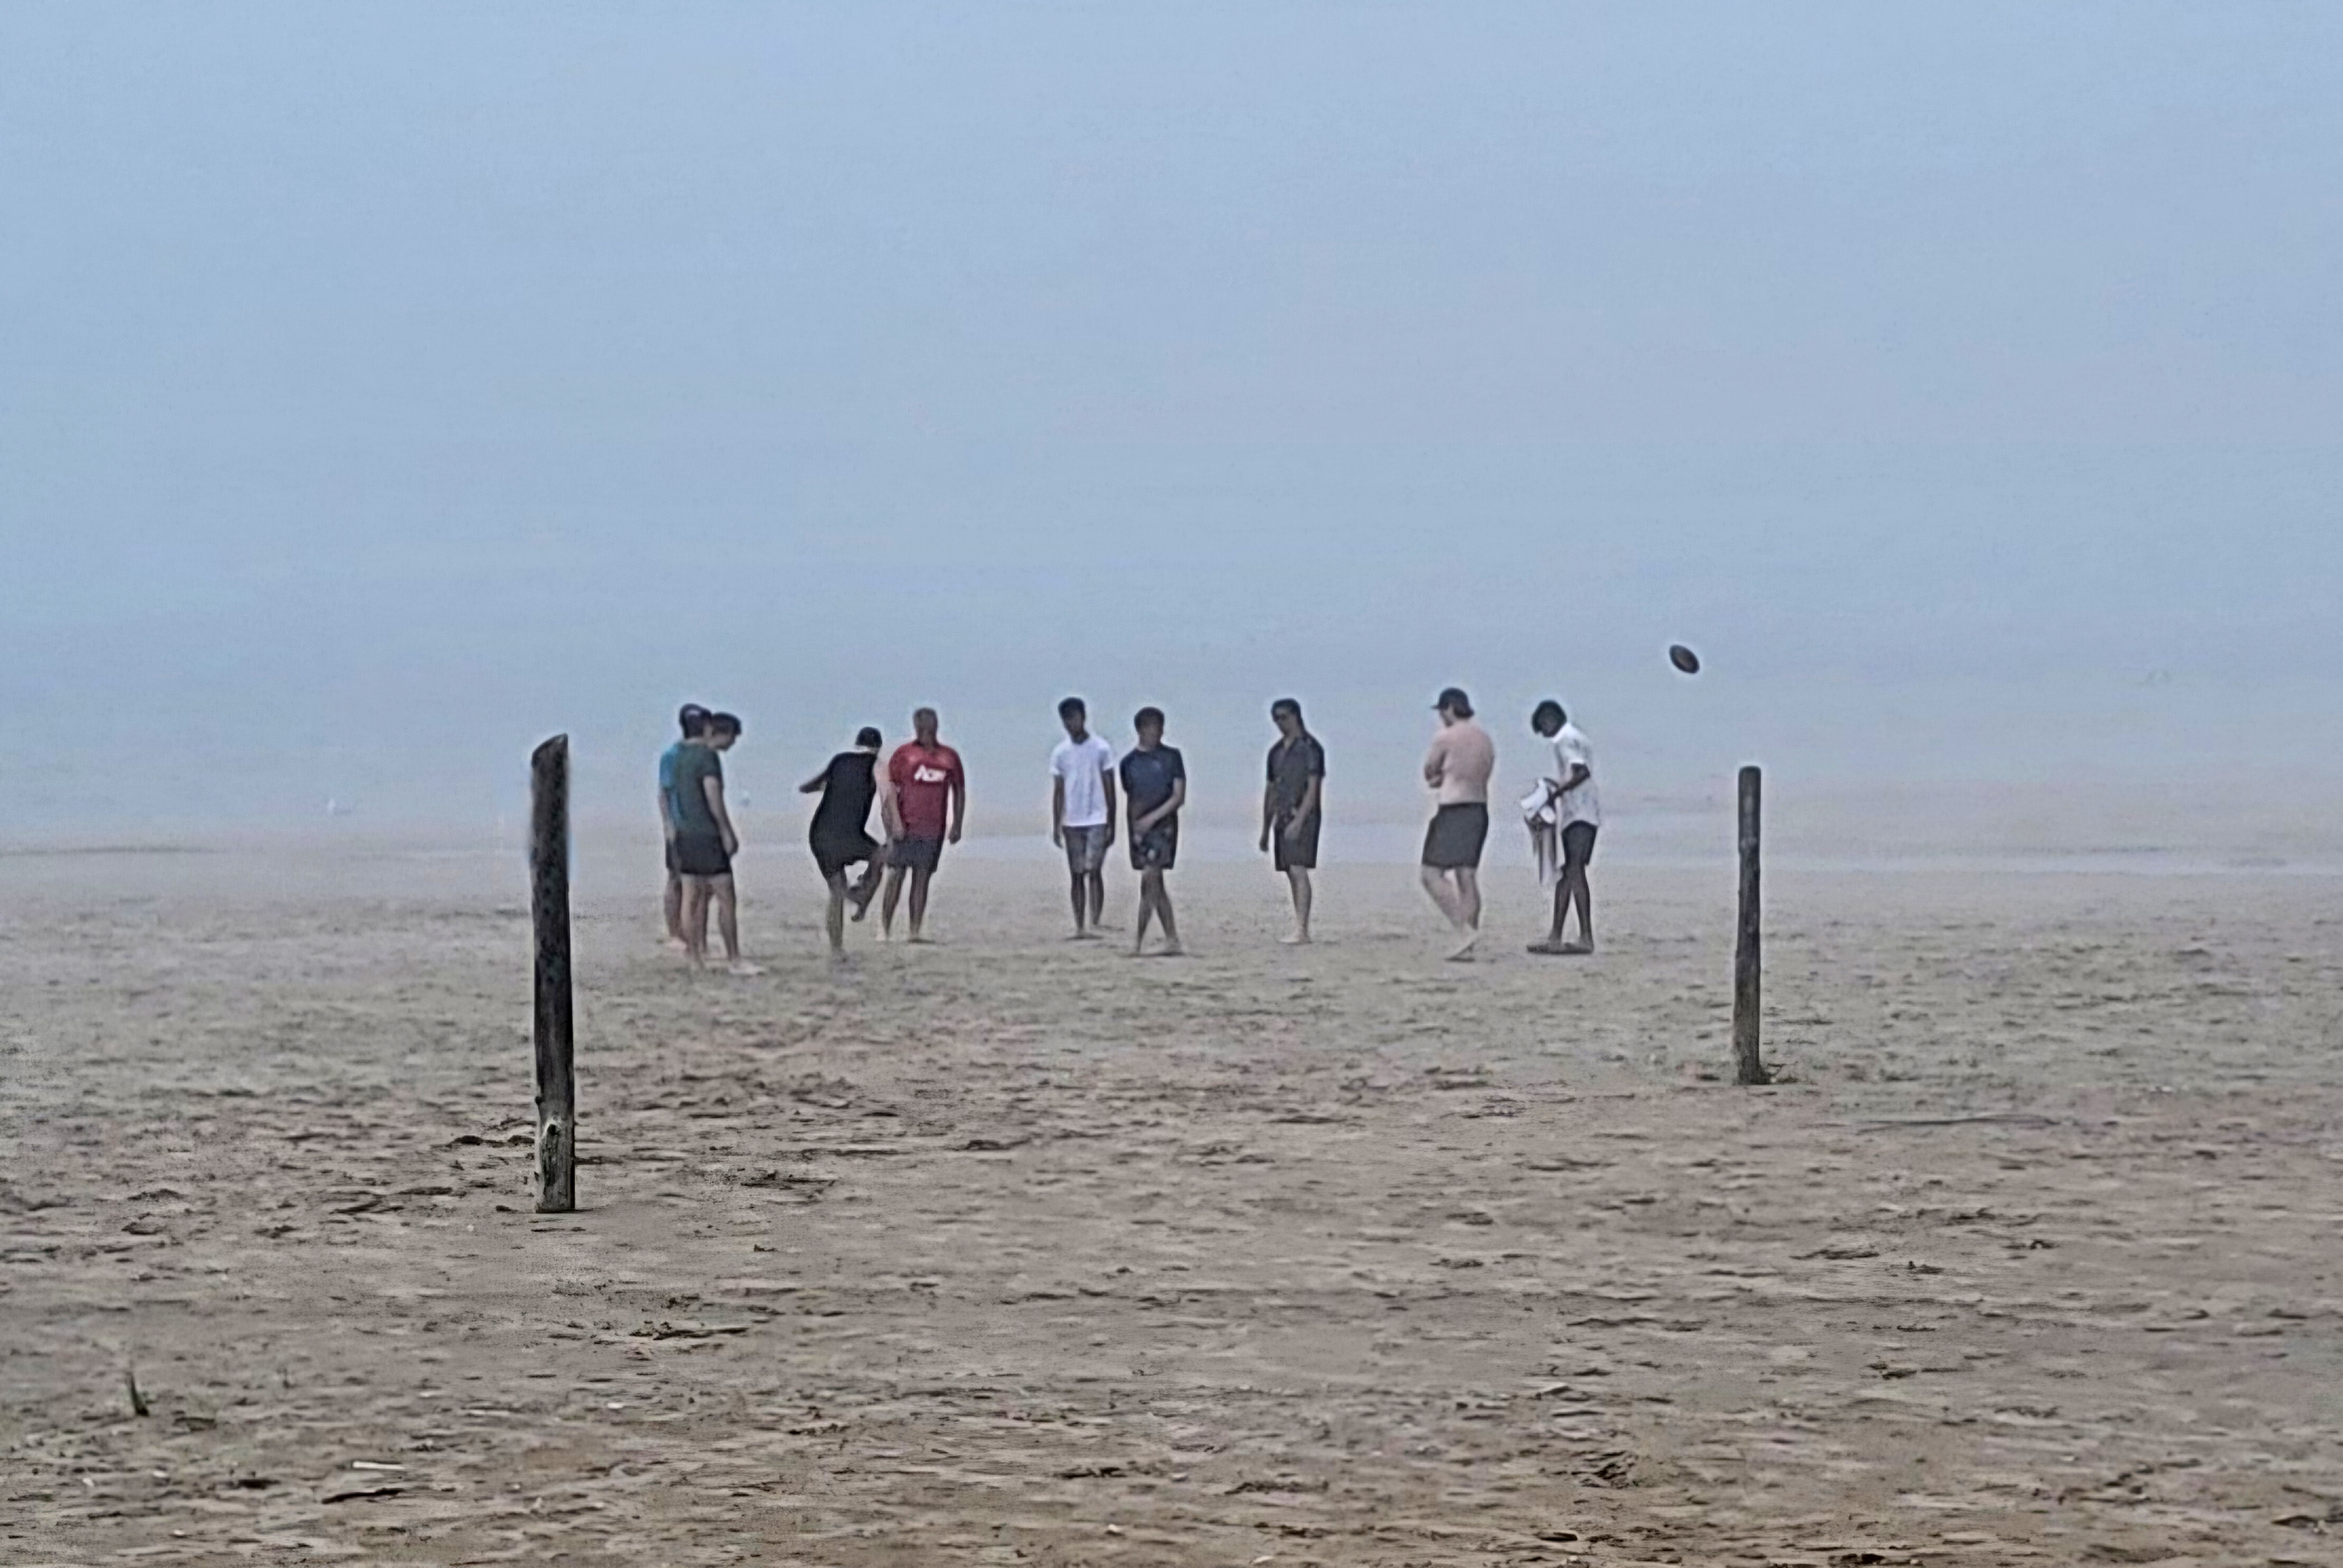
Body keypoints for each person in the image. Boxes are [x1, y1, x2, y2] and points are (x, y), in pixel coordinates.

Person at [674, 712, 759, 975]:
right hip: (707, 834)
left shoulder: (680, 757)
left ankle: (694, 958)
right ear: (715, 732)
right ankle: (734, 958)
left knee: (690, 898)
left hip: (685, 833)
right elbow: (713, 795)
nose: (731, 745)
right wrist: (726, 830)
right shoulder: (708, 758)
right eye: (731, 739)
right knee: (725, 898)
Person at [1420, 686, 1495, 961]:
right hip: (1478, 808)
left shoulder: (1446, 737)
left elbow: (1430, 770)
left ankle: (1464, 930)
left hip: (1454, 808)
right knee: (1467, 876)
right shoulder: (1485, 739)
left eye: (1442, 711)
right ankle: (1468, 943)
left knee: (1430, 874)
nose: (1441, 717)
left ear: (1450, 709)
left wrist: (1438, 778)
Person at [877, 707, 965, 943]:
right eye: (922, 726)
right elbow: (890, 791)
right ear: (916, 727)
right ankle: (884, 929)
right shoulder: (905, 754)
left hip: (933, 829)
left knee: (922, 878)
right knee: (896, 875)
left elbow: (959, 790)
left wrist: (957, 824)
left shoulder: (949, 757)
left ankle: (915, 930)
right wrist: (894, 822)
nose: (926, 730)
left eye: (930, 725)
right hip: (906, 826)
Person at [802, 725, 887, 955]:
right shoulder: (877, 767)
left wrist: (812, 789)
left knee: (836, 892)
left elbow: (813, 785)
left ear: (857, 744)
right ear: (878, 748)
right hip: (850, 835)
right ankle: (862, 901)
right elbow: (888, 796)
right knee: (880, 855)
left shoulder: (839, 761)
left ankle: (837, 948)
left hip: (821, 834)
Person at [1528, 700, 1602, 955]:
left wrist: (1555, 793)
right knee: (1568, 873)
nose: (1545, 734)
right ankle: (1556, 936)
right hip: (1585, 812)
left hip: (1579, 813)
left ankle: (1586, 937)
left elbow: (1581, 772)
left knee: (1574, 871)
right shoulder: (1578, 737)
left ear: (1550, 719)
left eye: (1544, 727)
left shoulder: (1564, 740)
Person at [1119, 706, 1187, 957]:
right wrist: (1136, 829)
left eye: (1159, 728)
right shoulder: (1129, 763)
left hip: (1163, 829)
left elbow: (1178, 797)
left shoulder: (1172, 757)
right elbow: (1132, 797)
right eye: (1152, 729)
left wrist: (1153, 819)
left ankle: (1138, 942)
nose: (1157, 733)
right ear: (1140, 730)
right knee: (1154, 884)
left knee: (1151, 879)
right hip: (1139, 831)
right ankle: (1172, 938)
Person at [1049, 697, 1118, 939]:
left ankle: (1095, 920)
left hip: (1098, 817)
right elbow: (1059, 790)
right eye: (1066, 720)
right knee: (1076, 873)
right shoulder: (1061, 753)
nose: (1071, 724)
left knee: (1094, 869)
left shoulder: (1101, 748)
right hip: (1072, 821)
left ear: (1083, 717)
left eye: (1074, 718)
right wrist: (1056, 823)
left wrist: (1112, 822)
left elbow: (1110, 786)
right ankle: (1080, 925)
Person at [1259, 697, 1325, 944]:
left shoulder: (1310, 748)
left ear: (1296, 716)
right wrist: (1265, 828)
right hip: (1282, 814)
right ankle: (1298, 923)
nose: (1280, 723)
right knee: (1289, 870)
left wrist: (1300, 819)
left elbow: (1313, 787)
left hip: (1303, 814)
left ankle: (1302, 928)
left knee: (1299, 868)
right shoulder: (1276, 752)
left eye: (1284, 717)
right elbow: (1271, 789)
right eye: (1276, 719)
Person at [658, 703, 711, 944]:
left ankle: (695, 934)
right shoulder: (673, 756)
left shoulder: (703, 755)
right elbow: (664, 793)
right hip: (681, 827)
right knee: (676, 879)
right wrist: (668, 825)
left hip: (701, 829)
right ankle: (675, 933)